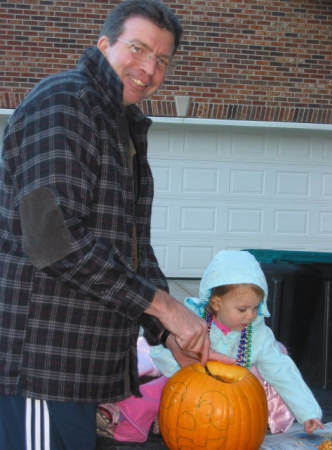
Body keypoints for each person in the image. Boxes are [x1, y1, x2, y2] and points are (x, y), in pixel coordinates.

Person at [0, 1, 210, 449]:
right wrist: (164, 308)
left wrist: (165, 332)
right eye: (137, 49)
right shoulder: (64, 103)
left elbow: (132, 246)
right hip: (40, 364)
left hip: (75, 368)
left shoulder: (121, 124)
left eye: (162, 60)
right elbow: (54, 241)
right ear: (103, 45)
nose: (149, 68)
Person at [97, 250, 324, 442]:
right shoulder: (194, 320)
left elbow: (283, 372)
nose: (251, 315)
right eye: (243, 309)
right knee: (161, 389)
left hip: (232, 402)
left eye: (256, 308)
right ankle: (117, 414)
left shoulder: (258, 334)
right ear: (216, 303)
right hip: (188, 382)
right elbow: (168, 351)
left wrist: (308, 413)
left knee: (270, 367)